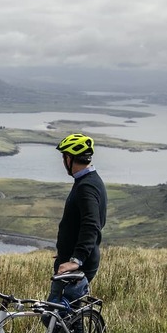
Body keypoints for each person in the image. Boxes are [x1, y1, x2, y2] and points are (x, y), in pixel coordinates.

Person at [50, 132, 107, 308]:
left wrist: (75, 260)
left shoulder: (86, 186)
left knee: (59, 314)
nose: (63, 162)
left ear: (70, 158)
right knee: (61, 316)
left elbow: (91, 225)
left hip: (79, 265)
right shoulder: (86, 181)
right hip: (75, 260)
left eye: (63, 157)